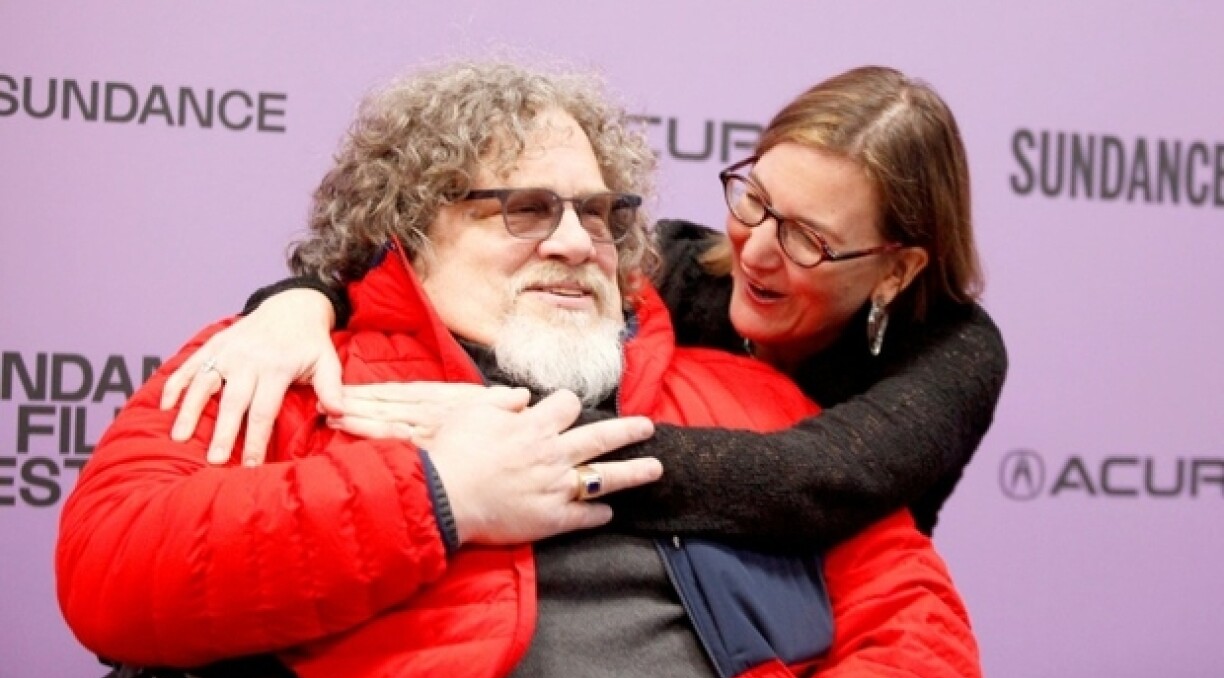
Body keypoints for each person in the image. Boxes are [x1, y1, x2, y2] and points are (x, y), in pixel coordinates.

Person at [57, 61, 981, 678]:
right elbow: (110, 570)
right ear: (411, 225)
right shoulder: (287, 368)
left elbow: (914, 627)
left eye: (597, 212)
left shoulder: (753, 394)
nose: (577, 241)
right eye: (526, 210)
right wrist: (438, 494)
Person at [166, 65, 1007, 549]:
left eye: (808, 239)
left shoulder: (956, 352)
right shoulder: (673, 264)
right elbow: (394, 248)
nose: (754, 250)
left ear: (898, 268)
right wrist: (296, 303)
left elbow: (812, 481)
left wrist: (515, 451)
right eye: (754, 200)